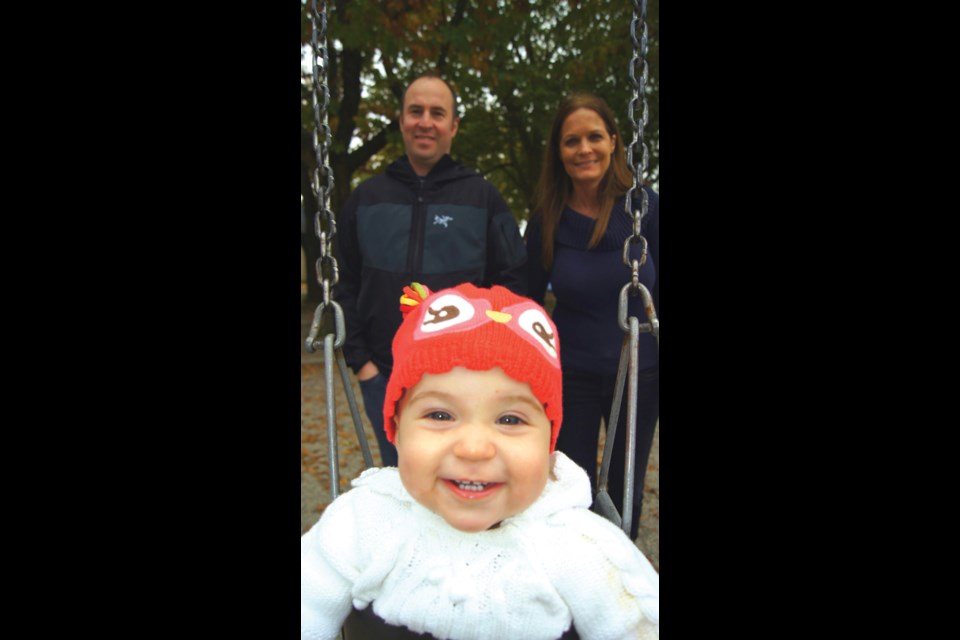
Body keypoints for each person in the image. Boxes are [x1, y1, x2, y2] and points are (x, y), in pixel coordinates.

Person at [301, 283, 660, 640]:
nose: (474, 449)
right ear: (397, 428)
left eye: (510, 420)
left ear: (548, 444)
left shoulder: (584, 550)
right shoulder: (361, 522)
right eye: (440, 415)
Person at [335, 74, 527, 467]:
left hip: (465, 378)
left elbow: (514, 284)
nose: (426, 121)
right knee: (402, 479)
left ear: (453, 126)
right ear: (402, 120)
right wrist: (363, 366)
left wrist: (490, 360)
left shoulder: (483, 197)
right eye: (415, 111)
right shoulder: (366, 199)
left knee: (460, 477)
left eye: (437, 113)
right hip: (385, 376)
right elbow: (343, 283)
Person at [525, 93, 659, 538]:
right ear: (559, 152)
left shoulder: (645, 208)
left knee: (624, 485)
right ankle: (575, 572)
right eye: (571, 141)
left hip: (640, 370)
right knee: (571, 482)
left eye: (594, 137)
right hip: (571, 373)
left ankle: (619, 572)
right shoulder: (548, 217)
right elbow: (525, 296)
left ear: (614, 142)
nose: (584, 149)